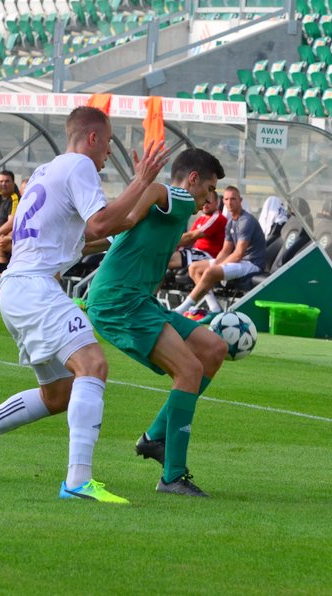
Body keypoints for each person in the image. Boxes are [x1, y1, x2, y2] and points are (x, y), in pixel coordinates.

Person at [0, 106, 169, 504]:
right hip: (35, 288)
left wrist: (134, 214)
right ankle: (78, 481)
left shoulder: (47, 171)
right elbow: (97, 224)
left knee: (59, 394)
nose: (110, 151)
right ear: (92, 138)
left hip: (19, 288)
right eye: (109, 141)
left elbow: (86, 234)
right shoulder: (80, 167)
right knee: (92, 365)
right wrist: (142, 182)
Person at [85, 147, 227, 497]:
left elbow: (126, 235)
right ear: (193, 180)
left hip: (139, 301)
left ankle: (154, 438)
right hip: (120, 301)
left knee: (213, 349)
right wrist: (140, 183)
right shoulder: (176, 196)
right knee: (189, 370)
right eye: (210, 188)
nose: (212, 197)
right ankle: (172, 477)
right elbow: (155, 192)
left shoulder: (177, 214)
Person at [174, 185, 267, 318]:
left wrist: (217, 267)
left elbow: (239, 253)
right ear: (223, 202)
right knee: (194, 268)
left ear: (240, 200)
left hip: (251, 264)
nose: (230, 202)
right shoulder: (230, 222)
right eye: (227, 199)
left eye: (233, 199)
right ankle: (215, 308)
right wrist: (215, 263)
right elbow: (225, 250)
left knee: (210, 272)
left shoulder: (246, 221)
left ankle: (181, 309)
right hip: (239, 261)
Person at [166, 187, 226, 270]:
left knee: (168, 259)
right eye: (204, 201)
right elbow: (188, 239)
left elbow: (190, 236)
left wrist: (166, 242)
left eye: (209, 202)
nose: (205, 204)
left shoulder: (217, 218)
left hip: (209, 255)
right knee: (163, 256)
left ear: (216, 203)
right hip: (197, 251)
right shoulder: (202, 217)